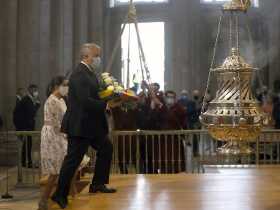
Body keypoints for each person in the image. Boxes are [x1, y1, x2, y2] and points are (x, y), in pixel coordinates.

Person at [51, 43, 116, 209]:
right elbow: (84, 101)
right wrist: (105, 105)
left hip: (91, 124)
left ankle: (97, 184)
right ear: (87, 56)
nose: (99, 59)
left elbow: (95, 95)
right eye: (97, 55)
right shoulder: (79, 74)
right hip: (80, 125)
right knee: (73, 160)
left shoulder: (90, 72)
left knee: (106, 148)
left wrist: (112, 95)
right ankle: (59, 195)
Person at [38, 76, 69, 210]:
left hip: (60, 134)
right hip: (52, 136)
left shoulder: (61, 100)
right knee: (54, 171)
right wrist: (66, 134)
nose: (67, 88)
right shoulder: (51, 100)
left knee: (65, 168)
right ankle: (43, 201)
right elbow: (57, 122)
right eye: (65, 85)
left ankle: (61, 195)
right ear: (57, 85)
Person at [15, 84, 40, 167]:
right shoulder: (27, 100)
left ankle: (25, 162)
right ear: (30, 90)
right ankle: (28, 163)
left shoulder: (27, 100)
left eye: (36, 90)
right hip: (26, 127)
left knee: (26, 145)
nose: (36, 92)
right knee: (27, 145)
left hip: (25, 127)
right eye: (34, 90)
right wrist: (37, 105)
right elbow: (31, 113)